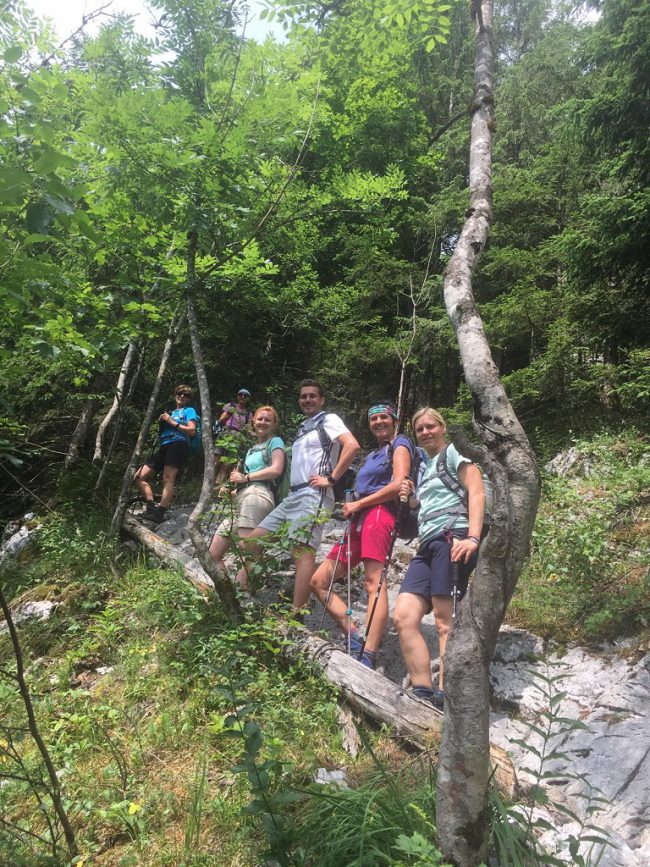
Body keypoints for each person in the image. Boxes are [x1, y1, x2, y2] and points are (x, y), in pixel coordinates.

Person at [236, 379, 360, 612]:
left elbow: (352, 446)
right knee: (253, 542)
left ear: (322, 400)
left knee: (302, 550)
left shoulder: (329, 420)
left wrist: (331, 479)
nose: (307, 400)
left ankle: (296, 614)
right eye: (304, 396)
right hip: (293, 496)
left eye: (312, 396)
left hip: (314, 493)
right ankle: (243, 598)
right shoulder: (303, 427)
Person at [393, 407, 485, 711]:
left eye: (430, 426)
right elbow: (428, 503)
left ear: (442, 427)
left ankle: (447, 693)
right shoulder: (425, 466)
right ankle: (422, 690)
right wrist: (411, 498)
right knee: (404, 616)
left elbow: (476, 491)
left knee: (445, 622)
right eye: (420, 429)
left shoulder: (455, 452)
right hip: (427, 545)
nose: (425, 432)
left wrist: (473, 537)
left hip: (451, 539)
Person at [310, 401, 413, 668]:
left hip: (379, 515)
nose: (378, 422)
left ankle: (368, 653)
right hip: (359, 518)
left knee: (373, 582)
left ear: (394, 420)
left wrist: (359, 504)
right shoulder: (373, 454)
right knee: (319, 581)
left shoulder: (400, 443)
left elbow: (399, 483)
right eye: (373, 419)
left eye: (383, 417)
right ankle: (354, 635)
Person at [208, 406, 285, 586]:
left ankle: (244, 595)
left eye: (267, 420)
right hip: (242, 497)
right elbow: (246, 481)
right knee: (213, 554)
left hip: (258, 496)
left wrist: (246, 477)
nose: (263, 422)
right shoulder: (251, 449)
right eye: (260, 419)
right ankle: (229, 594)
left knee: (248, 549)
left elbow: (276, 469)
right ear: (253, 421)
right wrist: (232, 491)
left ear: (274, 424)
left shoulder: (275, 442)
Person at [134, 385, 199, 525]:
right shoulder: (171, 412)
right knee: (139, 476)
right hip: (164, 445)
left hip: (178, 444)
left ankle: (160, 512)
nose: (182, 396)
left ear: (189, 399)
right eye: (179, 393)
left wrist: (171, 422)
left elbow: (192, 431)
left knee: (168, 478)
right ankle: (151, 506)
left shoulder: (189, 411)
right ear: (175, 395)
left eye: (186, 395)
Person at [215, 388, 254, 482]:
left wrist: (257, 435)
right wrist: (230, 412)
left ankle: (218, 484)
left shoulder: (249, 413)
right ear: (237, 396)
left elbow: (248, 429)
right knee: (216, 461)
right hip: (225, 433)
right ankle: (209, 483)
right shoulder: (230, 406)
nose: (243, 397)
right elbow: (221, 420)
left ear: (248, 398)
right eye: (241, 394)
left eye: (245, 395)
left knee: (227, 463)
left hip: (237, 437)